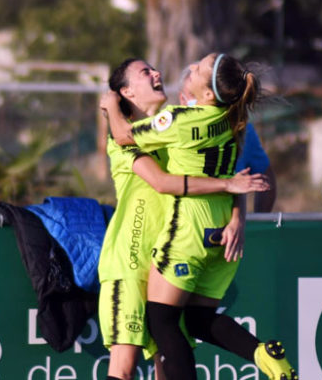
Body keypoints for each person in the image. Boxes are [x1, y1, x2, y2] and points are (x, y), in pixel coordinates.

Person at [101, 53, 297, 380]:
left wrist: (239, 217)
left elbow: (236, 174)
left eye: (153, 68)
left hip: (172, 249)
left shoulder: (178, 124)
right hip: (131, 262)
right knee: (124, 368)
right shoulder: (128, 137)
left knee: (170, 348)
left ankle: (261, 355)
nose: (158, 72)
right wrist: (111, 109)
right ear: (127, 93)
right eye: (145, 72)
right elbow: (168, 181)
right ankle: (260, 354)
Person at [178, 66, 277, 212]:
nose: (200, 101)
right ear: (182, 100)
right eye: (194, 95)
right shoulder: (173, 130)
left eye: (204, 93)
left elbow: (265, 177)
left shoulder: (241, 129)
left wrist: (258, 223)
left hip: (227, 230)